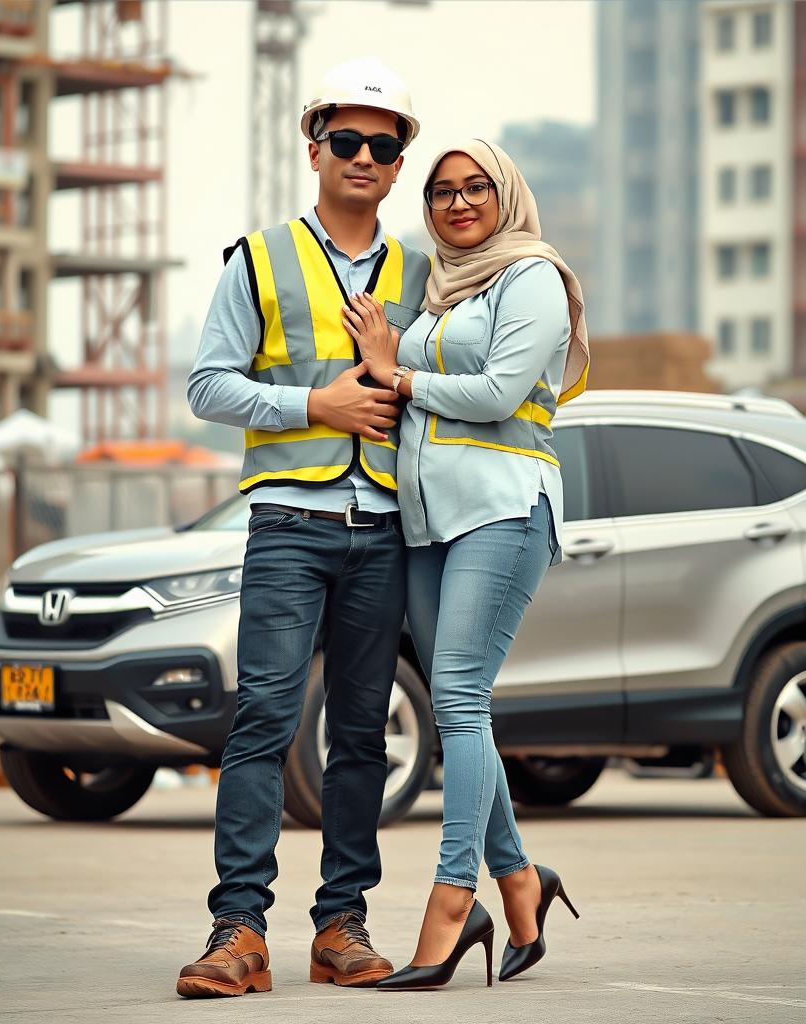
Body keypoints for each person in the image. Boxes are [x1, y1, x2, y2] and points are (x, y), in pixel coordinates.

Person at [176, 58, 431, 998]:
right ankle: (238, 930)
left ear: (400, 162)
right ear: (314, 145)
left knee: (362, 732)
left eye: (384, 143)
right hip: (291, 521)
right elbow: (207, 385)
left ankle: (342, 927)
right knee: (265, 721)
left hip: (389, 529)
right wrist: (315, 405)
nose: (365, 156)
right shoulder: (261, 258)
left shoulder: (422, 272)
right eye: (348, 140)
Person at [342, 139, 590, 990]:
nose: (457, 203)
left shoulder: (532, 278)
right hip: (425, 524)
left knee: (455, 695)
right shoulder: (440, 289)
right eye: (442, 191)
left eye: (474, 186)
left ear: (505, 191)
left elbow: (496, 390)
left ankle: (454, 900)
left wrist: (396, 373)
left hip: (504, 509)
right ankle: (521, 883)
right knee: (461, 705)